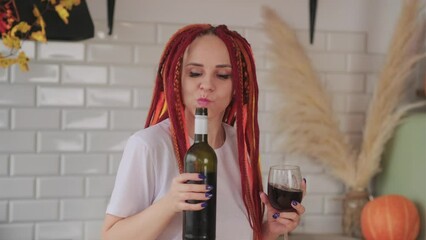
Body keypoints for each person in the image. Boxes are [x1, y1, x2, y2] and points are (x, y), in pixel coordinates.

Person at [101, 24, 306, 240]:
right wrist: (170, 203)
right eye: (195, 73)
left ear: (238, 86)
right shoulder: (149, 145)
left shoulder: (240, 146)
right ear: (177, 80)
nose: (207, 84)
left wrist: (269, 230)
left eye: (223, 75)